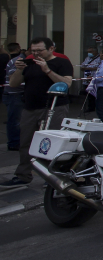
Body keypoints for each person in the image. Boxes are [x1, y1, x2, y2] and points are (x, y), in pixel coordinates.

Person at [1, 38, 74, 188]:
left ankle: (53, 176)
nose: (35, 53)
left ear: (51, 49)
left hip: (54, 107)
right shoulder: (29, 63)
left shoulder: (61, 63)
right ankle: (23, 175)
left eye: (39, 50)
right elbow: (13, 84)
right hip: (30, 107)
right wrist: (19, 69)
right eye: (33, 50)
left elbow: (66, 83)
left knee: (52, 142)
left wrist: (47, 70)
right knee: (25, 141)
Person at [3, 43, 24, 151]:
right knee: (15, 120)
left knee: (17, 119)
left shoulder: (11, 59)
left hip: (16, 93)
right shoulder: (17, 61)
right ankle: (14, 142)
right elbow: (12, 78)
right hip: (14, 94)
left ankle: (16, 141)